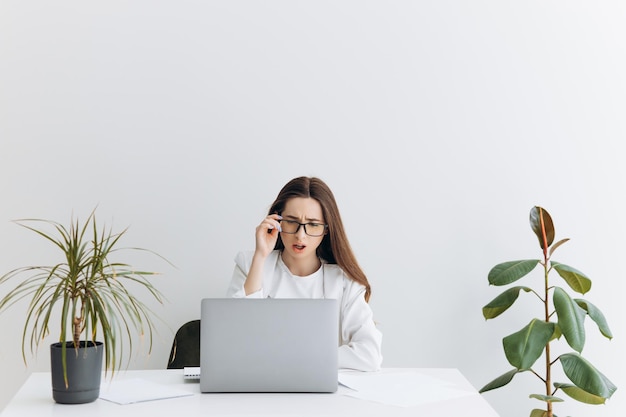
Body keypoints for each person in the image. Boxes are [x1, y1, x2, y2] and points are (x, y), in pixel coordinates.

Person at [227, 176, 383, 372]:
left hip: (321, 394)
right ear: (276, 220)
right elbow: (235, 338)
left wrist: (295, 356)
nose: (301, 235)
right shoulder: (250, 263)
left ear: (327, 229)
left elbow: (370, 355)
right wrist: (260, 255)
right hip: (259, 385)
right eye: (291, 222)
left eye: (313, 224)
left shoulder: (344, 281)